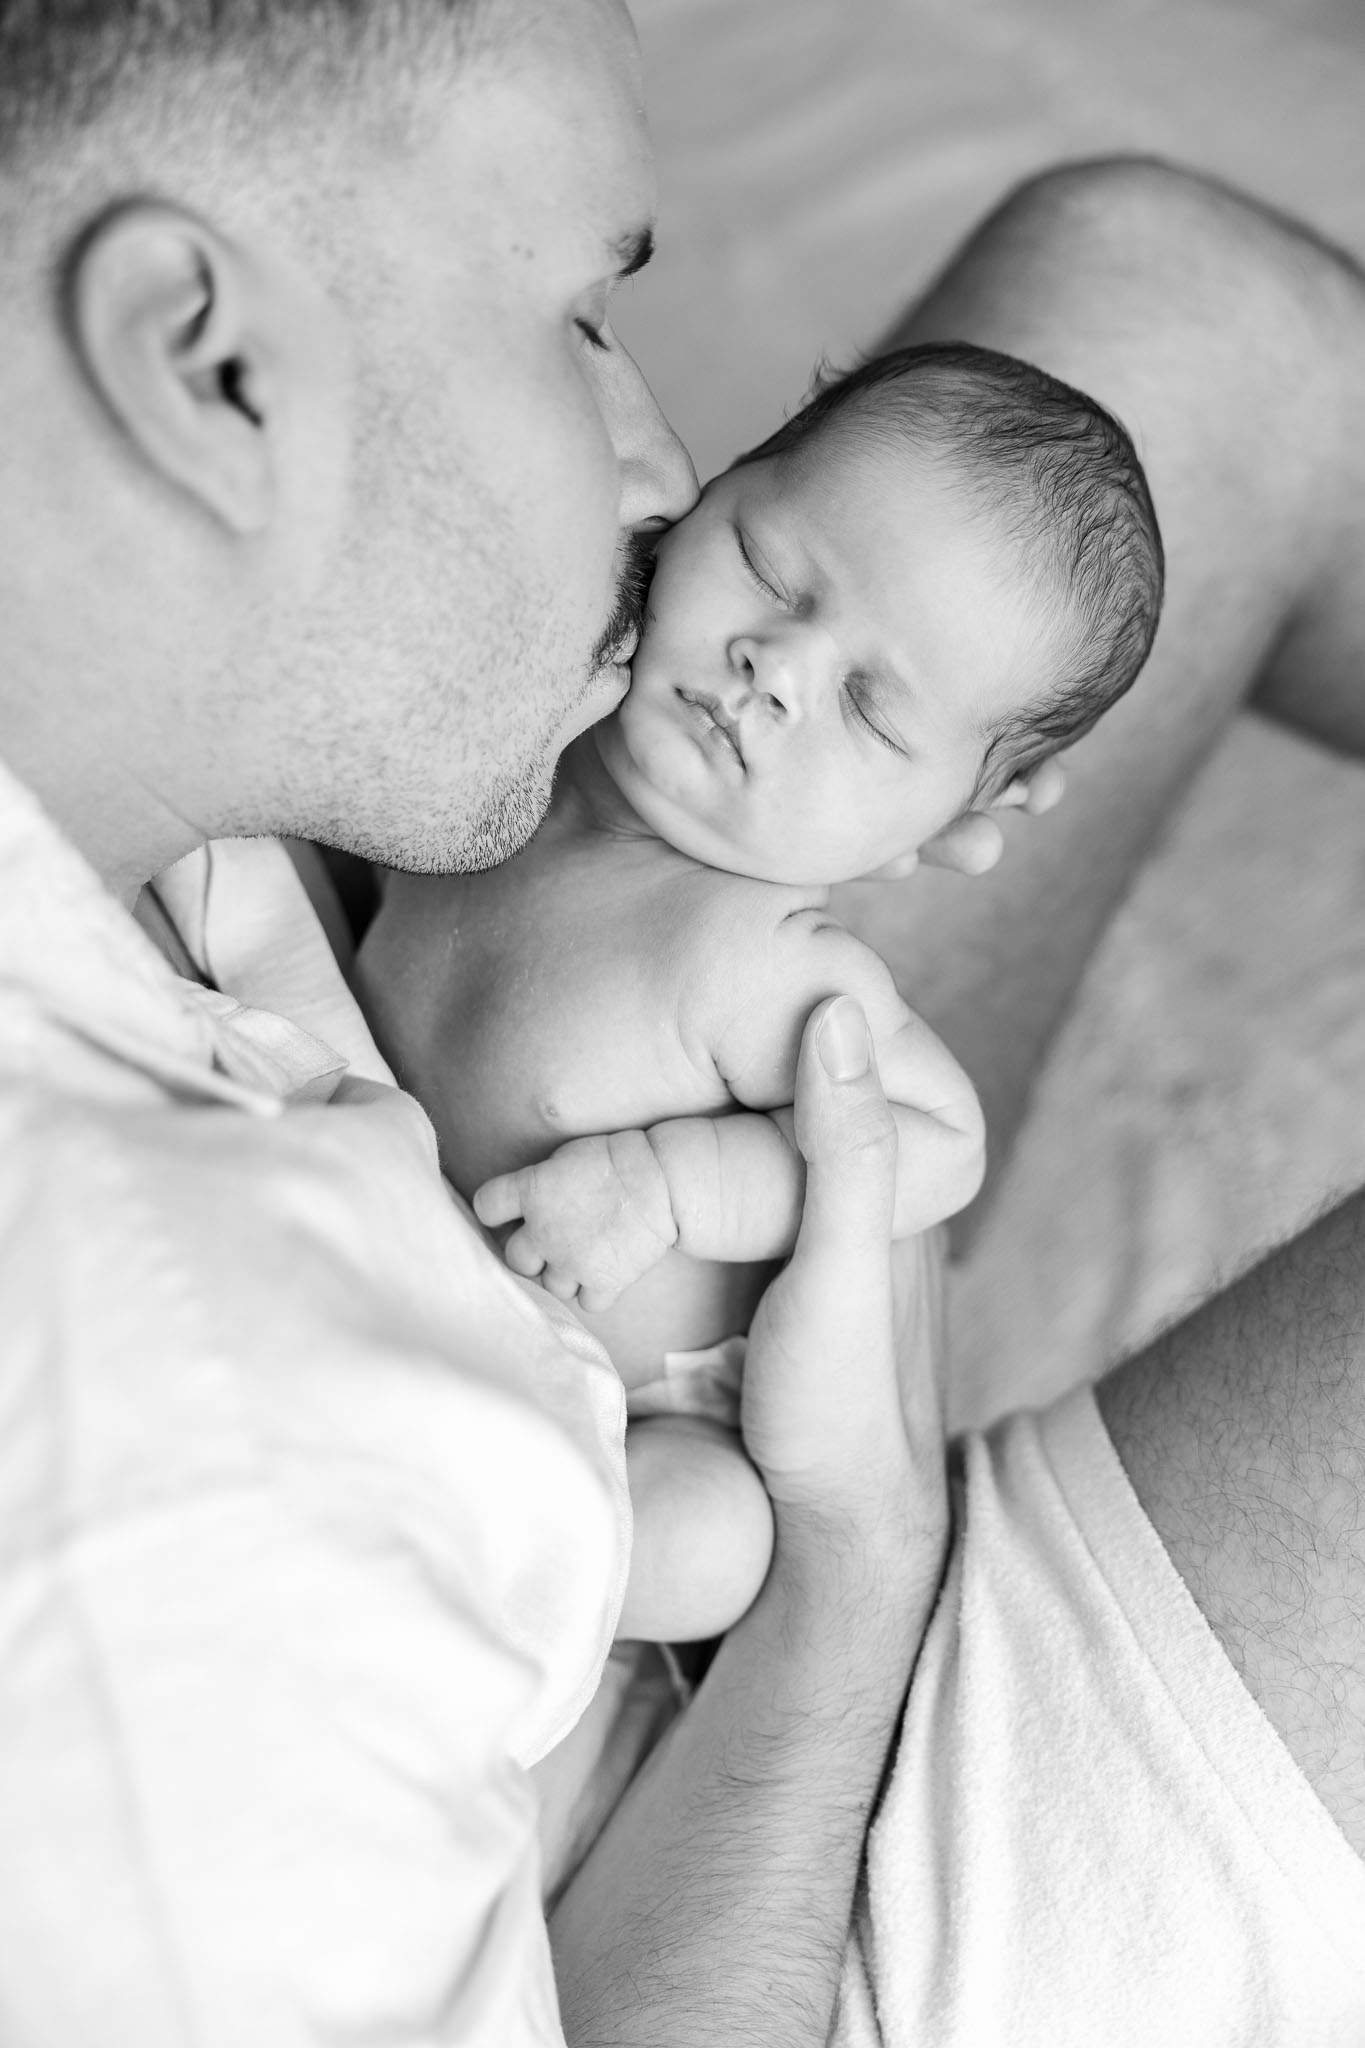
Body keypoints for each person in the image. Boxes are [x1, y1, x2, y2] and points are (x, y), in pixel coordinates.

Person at [0, 0, 1362, 2038]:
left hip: (560, 1181)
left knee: (1170, 307)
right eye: (576, 317)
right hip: (723, 1847)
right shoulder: (187, 1525)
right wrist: (851, 1551)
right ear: (206, 362)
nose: (658, 463)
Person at [358, 339, 1163, 1644]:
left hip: (625, 1416)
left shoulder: (774, 964)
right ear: (712, 488)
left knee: (710, 1538)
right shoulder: (522, 736)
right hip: (376, 1275)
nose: (775, 666)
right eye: (773, 571)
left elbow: (936, 1143)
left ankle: (447, 1596)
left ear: (949, 822)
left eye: (871, 708)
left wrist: (669, 1186)